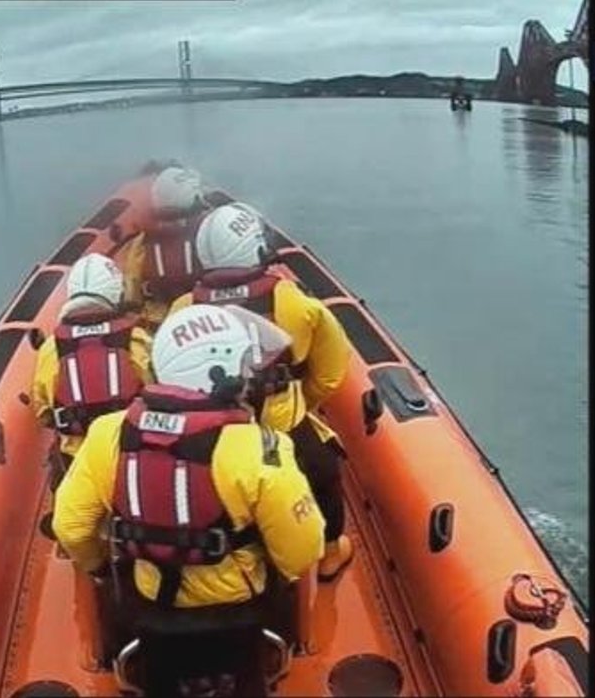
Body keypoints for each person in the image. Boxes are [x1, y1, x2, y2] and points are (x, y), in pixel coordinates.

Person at [53, 303, 324, 607]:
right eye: (245, 364)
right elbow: (303, 551)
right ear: (218, 373)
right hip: (238, 603)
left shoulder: (106, 434)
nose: (250, 376)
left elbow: (71, 529)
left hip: (148, 596)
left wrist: (101, 567)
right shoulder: (261, 448)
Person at [170, 202, 355, 581]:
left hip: (211, 440)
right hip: (282, 429)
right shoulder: (293, 301)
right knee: (323, 472)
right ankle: (330, 550)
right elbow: (332, 371)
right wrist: (303, 403)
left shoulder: (182, 309)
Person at [31, 253, 154, 488]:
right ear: (116, 293)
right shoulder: (136, 339)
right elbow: (155, 389)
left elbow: (43, 411)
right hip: (130, 455)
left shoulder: (50, 348)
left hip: (80, 461)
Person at [121, 165, 214, 332]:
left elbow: (131, 293)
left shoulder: (141, 241)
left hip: (159, 325)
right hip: (204, 318)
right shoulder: (209, 232)